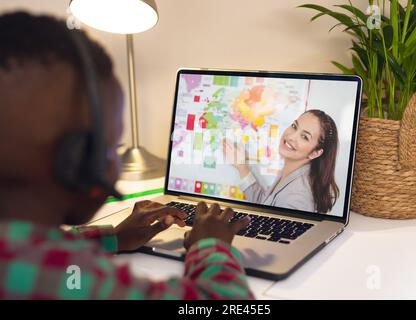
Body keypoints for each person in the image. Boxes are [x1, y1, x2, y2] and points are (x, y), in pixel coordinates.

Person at [0, 12, 252, 300]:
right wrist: (210, 246)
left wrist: (112, 238)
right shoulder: (69, 280)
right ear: (76, 160)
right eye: (111, 149)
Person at [224, 109, 339, 213]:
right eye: (294, 126)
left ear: (315, 153)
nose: (291, 136)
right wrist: (242, 167)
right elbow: (265, 205)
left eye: (304, 137)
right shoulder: (292, 171)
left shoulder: (297, 198)